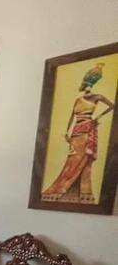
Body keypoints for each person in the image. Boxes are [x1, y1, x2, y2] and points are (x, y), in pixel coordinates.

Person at [42, 63, 114, 203]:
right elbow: (72, 117)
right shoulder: (78, 100)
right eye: (86, 84)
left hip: (87, 130)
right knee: (71, 161)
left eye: (89, 84)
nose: (87, 87)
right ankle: (64, 190)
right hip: (75, 132)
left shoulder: (97, 97)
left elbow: (112, 106)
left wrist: (98, 117)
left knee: (82, 161)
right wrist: (66, 132)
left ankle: (82, 193)